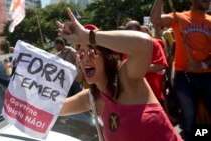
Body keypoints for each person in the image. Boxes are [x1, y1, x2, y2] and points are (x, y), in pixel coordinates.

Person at [58, 8, 182, 141]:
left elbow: (144, 43)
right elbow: (51, 107)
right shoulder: (91, 99)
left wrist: (88, 36)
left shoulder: (127, 77)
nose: (86, 59)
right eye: (81, 53)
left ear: (107, 57)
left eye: (92, 52)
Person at [150, 0, 211, 140]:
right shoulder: (179, 17)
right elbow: (156, 20)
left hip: (208, 75)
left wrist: (202, 65)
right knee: (189, 114)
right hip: (184, 76)